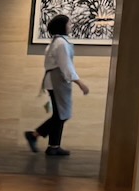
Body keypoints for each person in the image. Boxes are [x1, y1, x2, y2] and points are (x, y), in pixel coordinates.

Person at [25, 15, 90, 156]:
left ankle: (53, 146)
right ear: (63, 26)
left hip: (54, 80)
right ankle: (36, 135)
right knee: (62, 114)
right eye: (69, 24)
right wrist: (80, 83)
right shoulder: (61, 43)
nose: (71, 26)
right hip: (57, 81)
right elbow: (66, 66)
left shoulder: (55, 42)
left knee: (60, 114)